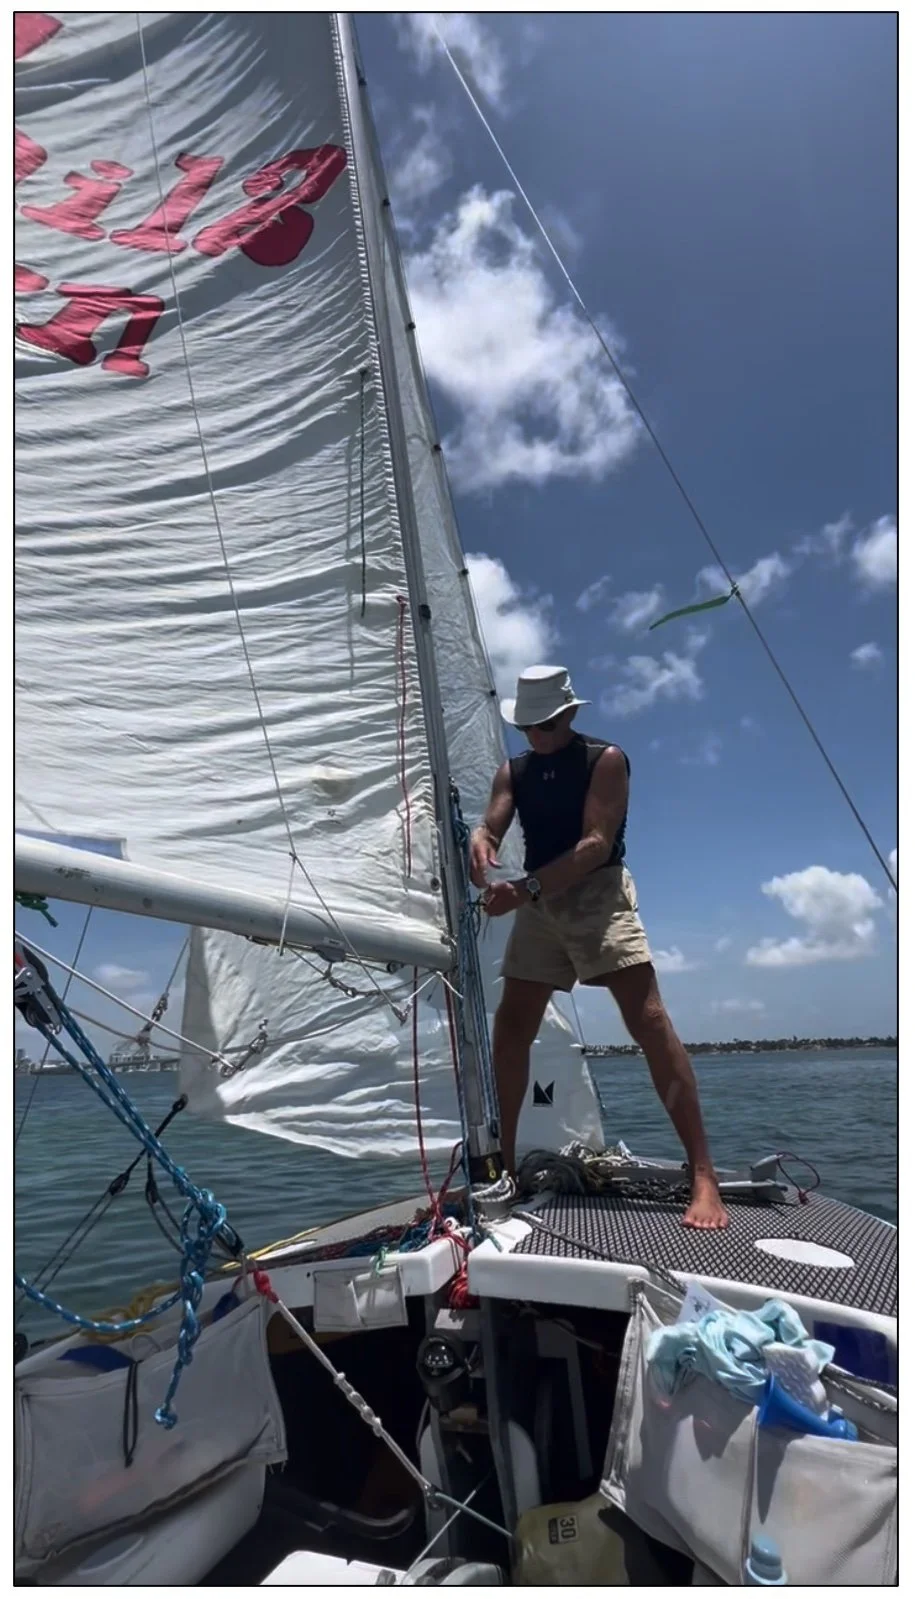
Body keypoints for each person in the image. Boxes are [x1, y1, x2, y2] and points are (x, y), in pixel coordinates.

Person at [471, 664, 727, 1231]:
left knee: (648, 1020)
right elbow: (493, 822)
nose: (537, 735)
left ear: (569, 714)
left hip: (597, 894)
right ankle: (506, 1170)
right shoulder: (513, 771)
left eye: (546, 724)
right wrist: (481, 838)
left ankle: (703, 1174)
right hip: (540, 903)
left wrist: (524, 890)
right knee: (511, 1028)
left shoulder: (605, 760)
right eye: (528, 727)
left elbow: (594, 845)